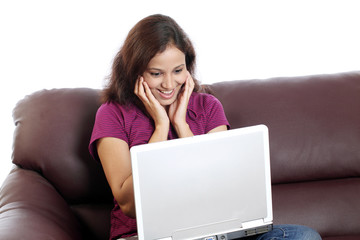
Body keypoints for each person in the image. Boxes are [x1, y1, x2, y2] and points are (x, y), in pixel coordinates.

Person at [89, 14, 321, 240]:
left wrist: (182, 126)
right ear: (135, 71)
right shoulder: (111, 114)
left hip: (214, 233)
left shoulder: (208, 107)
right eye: (156, 74)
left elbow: (218, 190)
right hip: (144, 236)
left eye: (178, 71)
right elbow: (129, 204)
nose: (169, 84)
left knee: (304, 236)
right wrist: (161, 126)